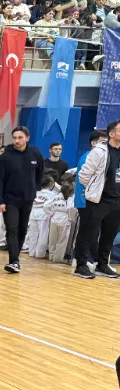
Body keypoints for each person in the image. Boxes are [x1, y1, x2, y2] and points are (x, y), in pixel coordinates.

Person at [0, 126, 44, 274]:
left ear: (27, 138)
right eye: (14, 138)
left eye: (20, 137)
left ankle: (16, 259)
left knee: (22, 229)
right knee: (12, 228)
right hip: (10, 200)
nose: (17, 141)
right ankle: (13, 261)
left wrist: (34, 189)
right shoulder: (5, 157)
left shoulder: (35, 153)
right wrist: (0, 200)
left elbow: (40, 172)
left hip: (27, 199)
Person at [74, 120, 120, 279]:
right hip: (99, 199)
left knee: (109, 234)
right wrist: (92, 191)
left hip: (117, 200)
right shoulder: (99, 151)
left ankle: (102, 265)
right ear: (112, 134)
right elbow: (84, 175)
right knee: (89, 233)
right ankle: (81, 265)